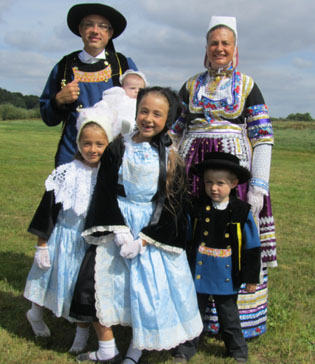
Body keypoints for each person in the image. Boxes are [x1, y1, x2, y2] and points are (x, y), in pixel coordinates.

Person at [69, 87, 203, 364]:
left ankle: (136, 349)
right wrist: (117, 230)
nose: (148, 118)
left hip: (149, 232)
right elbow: (104, 188)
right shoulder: (119, 145)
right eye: (144, 111)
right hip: (116, 221)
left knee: (144, 292)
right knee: (94, 285)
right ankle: (107, 348)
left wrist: (143, 240)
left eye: (157, 114)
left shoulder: (172, 156)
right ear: (136, 111)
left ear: (168, 118)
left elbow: (174, 205)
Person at [170, 16, 276, 339]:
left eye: (225, 43)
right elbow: (174, 132)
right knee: (193, 235)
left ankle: (234, 321)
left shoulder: (247, 85)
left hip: (233, 176)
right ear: (206, 48)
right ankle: (188, 314)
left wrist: (257, 185)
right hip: (193, 173)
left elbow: (263, 137)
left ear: (234, 49)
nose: (219, 48)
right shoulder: (190, 86)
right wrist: (168, 171)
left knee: (233, 238)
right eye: (213, 43)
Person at [24, 103, 119, 354]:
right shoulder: (65, 173)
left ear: (108, 145)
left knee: (79, 290)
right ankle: (34, 314)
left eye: (99, 144)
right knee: (45, 280)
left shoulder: (109, 175)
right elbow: (48, 211)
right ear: (78, 144)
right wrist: (41, 245)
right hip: (60, 238)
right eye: (86, 143)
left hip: (86, 245)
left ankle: (81, 334)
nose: (92, 149)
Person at [173, 152, 261, 363]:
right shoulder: (195, 208)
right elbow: (185, 239)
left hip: (227, 276)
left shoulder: (241, 212)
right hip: (198, 274)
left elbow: (252, 246)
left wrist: (250, 277)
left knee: (229, 316)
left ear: (234, 183)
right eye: (208, 182)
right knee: (193, 313)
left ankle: (238, 351)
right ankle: (185, 349)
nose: (213, 188)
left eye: (220, 183)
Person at [40, 3, 137, 167]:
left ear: (110, 33)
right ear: (80, 29)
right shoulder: (64, 67)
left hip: (115, 156)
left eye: (102, 26)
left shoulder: (123, 65)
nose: (95, 31)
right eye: (89, 24)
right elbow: (48, 118)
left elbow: (140, 109)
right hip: (72, 156)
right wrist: (58, 101)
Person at [92, 69, 149, 136]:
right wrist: (98, 110)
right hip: (118, 124)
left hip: (135, 127)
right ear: (123, 88)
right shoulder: (118, 96)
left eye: (140, 89)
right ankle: (123, 129)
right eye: (132, 88)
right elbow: (105, 103)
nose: (137, 91)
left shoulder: (143, 102)